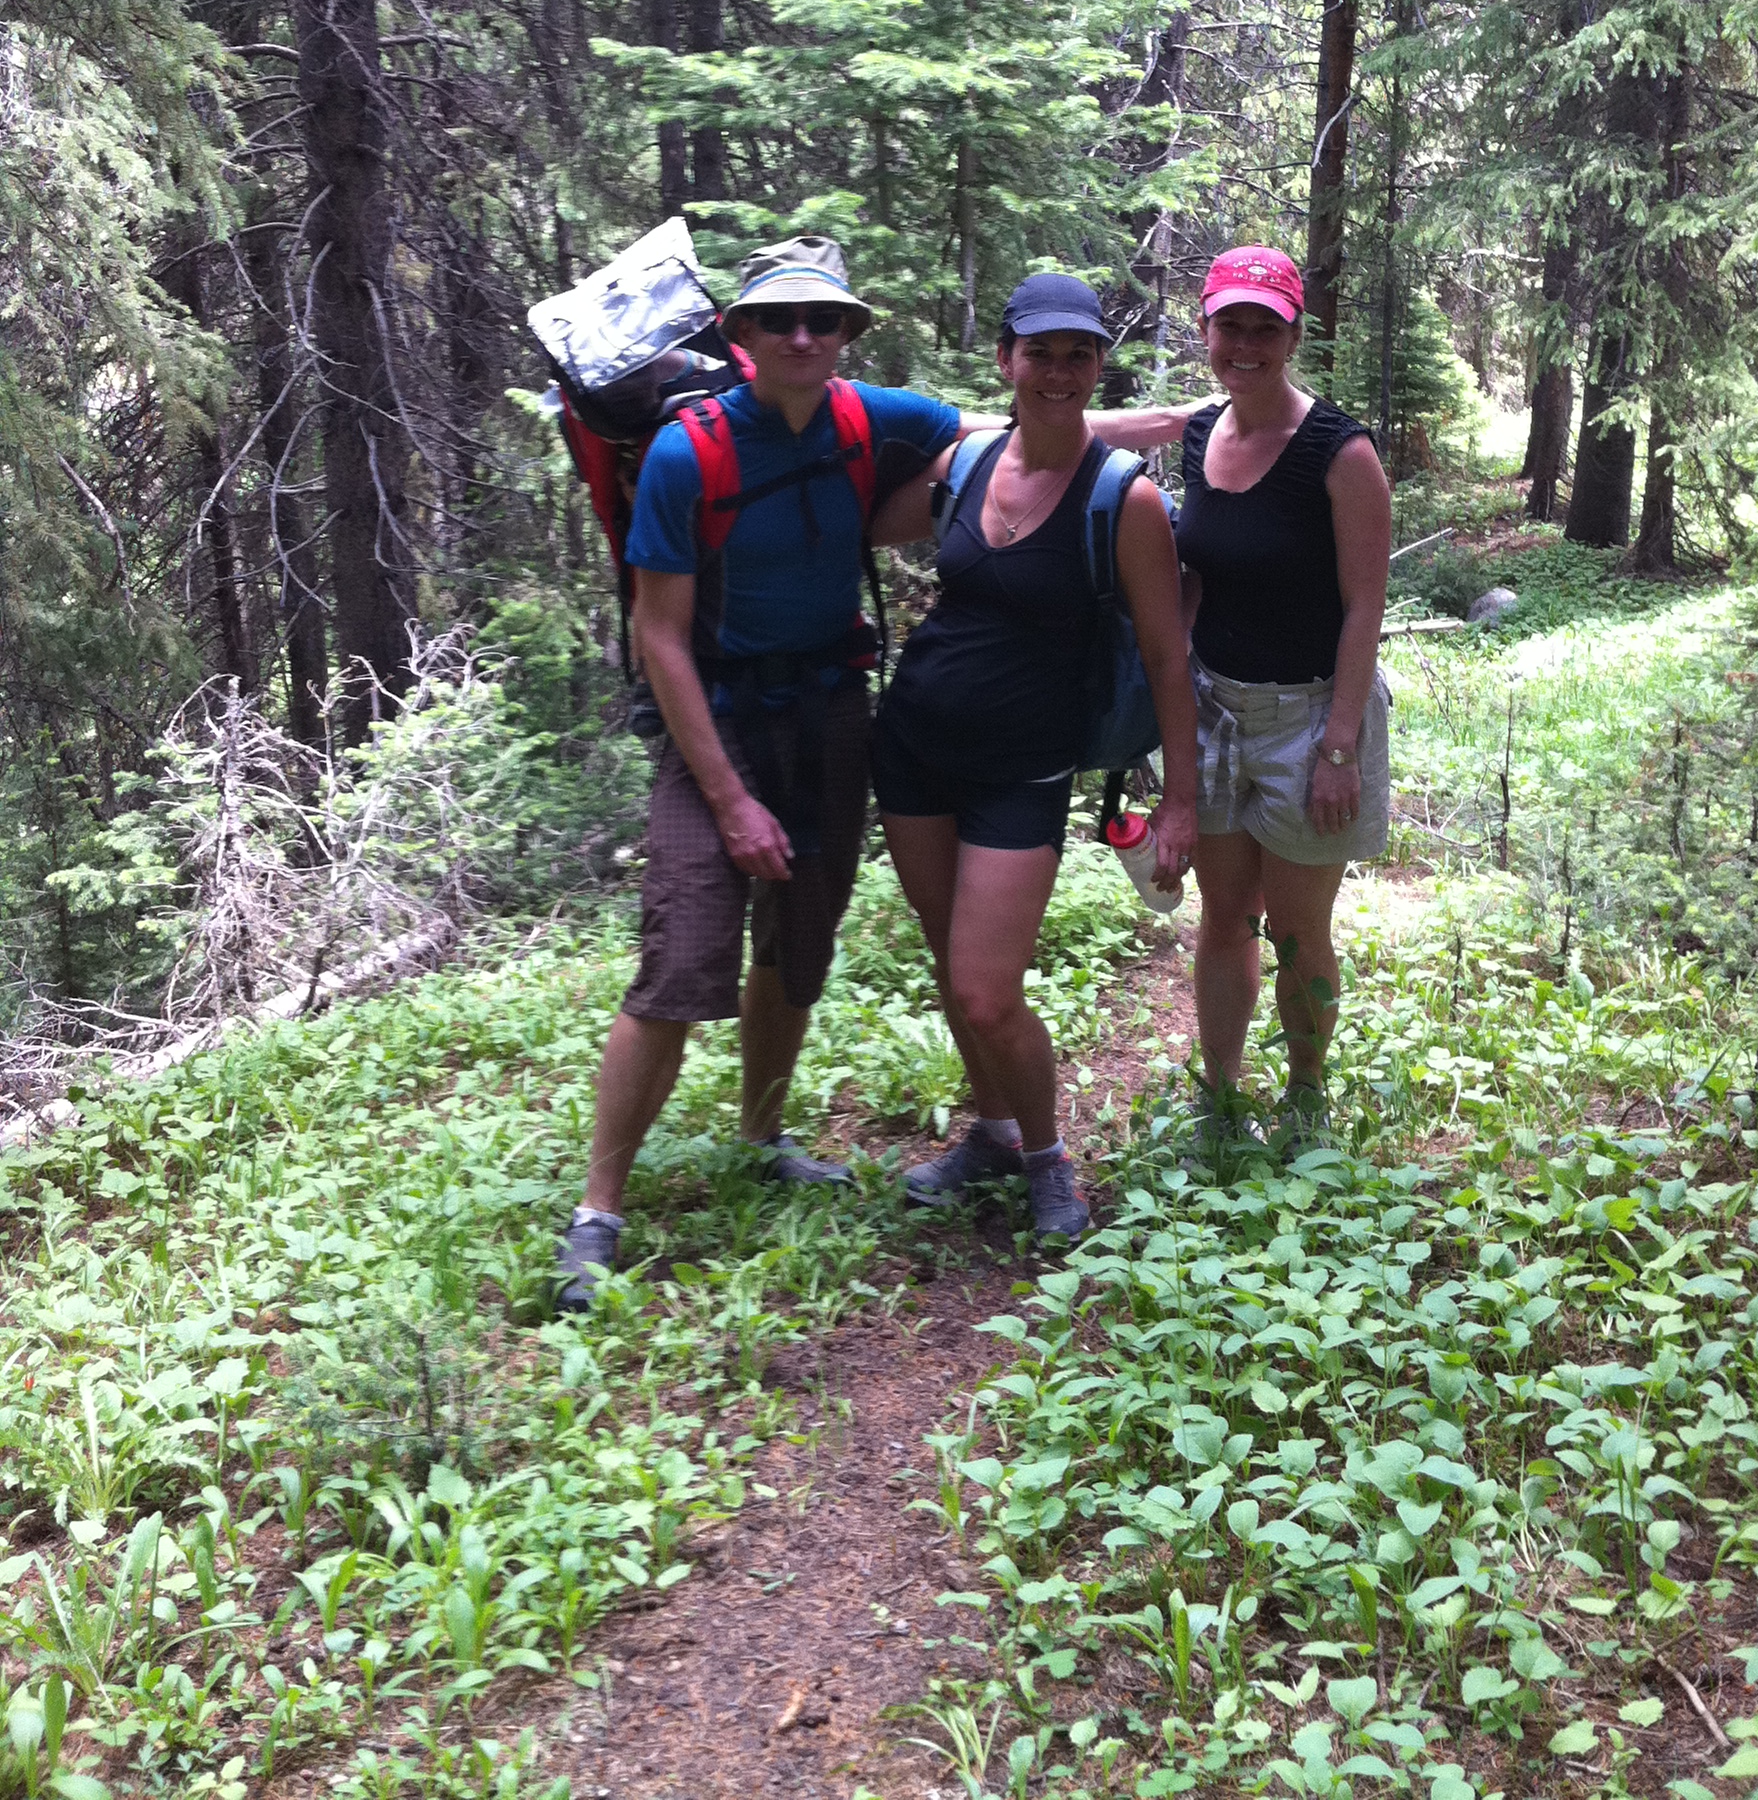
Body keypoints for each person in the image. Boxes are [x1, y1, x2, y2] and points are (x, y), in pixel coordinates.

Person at [555, 236, 962, 1312]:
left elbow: (1014, 433)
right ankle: (597, 1213)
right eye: (778, 320)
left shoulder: (865, 417)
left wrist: (1168, 425)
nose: (802, 336)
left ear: (847, 335)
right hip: (716, 727)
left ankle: (761, 1135)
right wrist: (730, 800)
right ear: (740, 335)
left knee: (798, 939)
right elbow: (659, 636)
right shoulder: (685, 455)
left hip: (828, 714)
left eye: (823, 320)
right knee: (680, 960)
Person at [865, 274, 1198, 1240]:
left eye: (1078, 354)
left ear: (1098, 366)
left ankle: (1049, 1161)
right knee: (948, 957)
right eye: (1039, 353)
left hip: (1025, 769)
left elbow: (1166, 657)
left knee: (985, 987)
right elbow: (852, 521)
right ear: (1006, 359)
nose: (1059, 371)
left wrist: (1180, 799)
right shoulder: (964, 466)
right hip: (915, 750)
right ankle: (994, 1134)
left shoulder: (1123, 498)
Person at [1177, 245, 1392, 1141]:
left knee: (1298, 929)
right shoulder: (1201, 434)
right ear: (1205, 330)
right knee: (1224, 916)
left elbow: (1365, 606)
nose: (1246, 344)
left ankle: (1305, 1096)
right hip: (1214, 710)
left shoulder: (1340, 454)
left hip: (1310, 716)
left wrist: (1339, 746)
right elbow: (1198, 578)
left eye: (1265, 328)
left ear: (1295, 336)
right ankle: (1220, 1098)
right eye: (1230, 325)